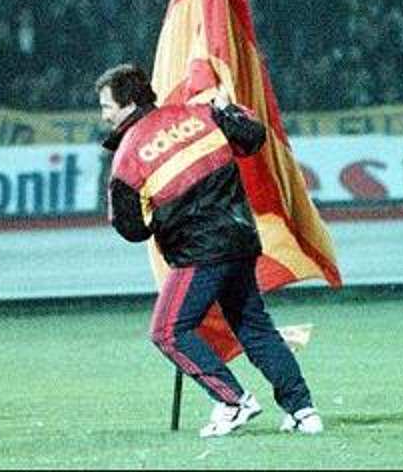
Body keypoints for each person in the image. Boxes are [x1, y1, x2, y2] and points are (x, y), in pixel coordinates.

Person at [95, 63, 323, 438]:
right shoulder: (199, 113)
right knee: (256, 329)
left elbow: (131, 229)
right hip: (242, 240)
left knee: (168, 331)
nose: (103, 115)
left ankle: (233, 401)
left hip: (198, 254)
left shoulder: (127, 158)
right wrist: (226, 107)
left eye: (107, 106)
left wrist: (160, 220)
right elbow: (252, 137)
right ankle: (303, 411)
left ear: (129, 103)